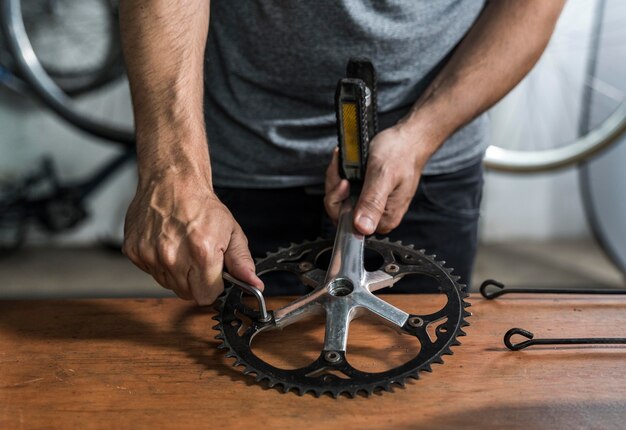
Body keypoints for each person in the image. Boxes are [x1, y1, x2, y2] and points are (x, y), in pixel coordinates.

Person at [119, 1, 564, 305]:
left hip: (425, 161)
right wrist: (173, 172)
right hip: (236, 163)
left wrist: (422, 134)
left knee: (417, 399)